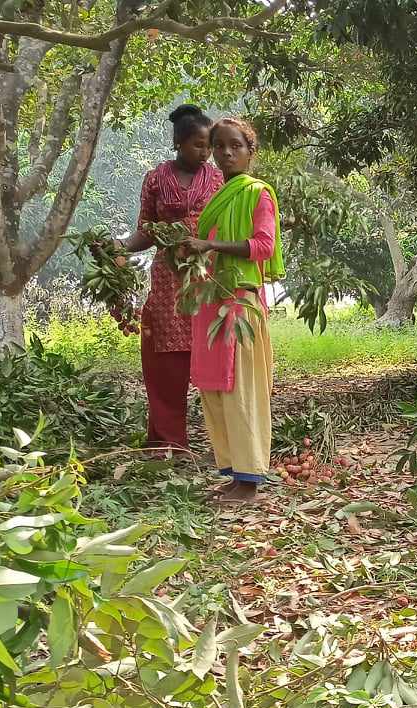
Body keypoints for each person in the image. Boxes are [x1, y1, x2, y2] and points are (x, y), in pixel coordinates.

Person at [179, 117, 284, 504]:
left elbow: (263, 246)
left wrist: (212, 247)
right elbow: (205, 248)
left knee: (241, 389)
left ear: (250, 151)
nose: (226, 153)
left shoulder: (258, 194)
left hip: (240, 303)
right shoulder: (215, 199)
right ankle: (234, 473)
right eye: (219, 145)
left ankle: (251, 478)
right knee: (214, 388)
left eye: (235, 145)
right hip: (211, 301)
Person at [118, 105, 223, 457]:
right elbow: (145, 231)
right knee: (166, 361)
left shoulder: (219, 180)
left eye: (209, 146)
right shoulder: (155, 180)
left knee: (215, 355)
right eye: (199, 145)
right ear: (178, 142)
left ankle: (225, 442)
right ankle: (168, 443)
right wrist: (118, 247)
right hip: (168, 281)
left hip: (209, 277)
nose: (206, 153)